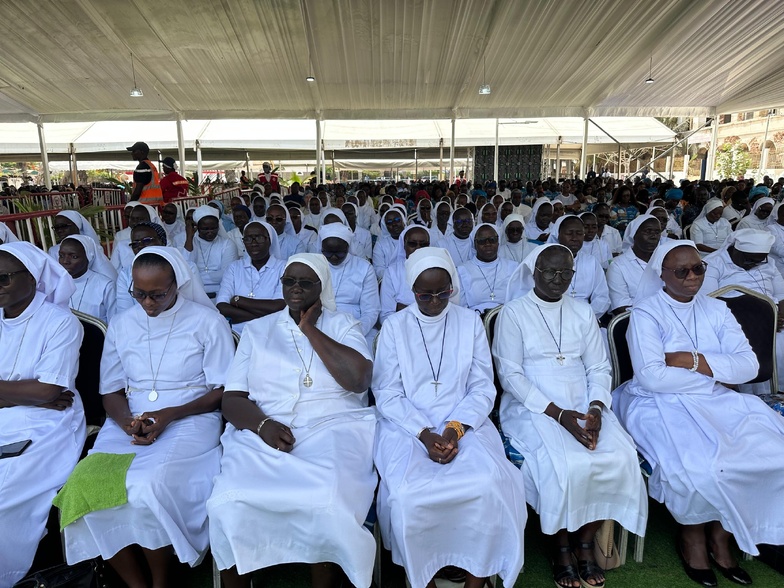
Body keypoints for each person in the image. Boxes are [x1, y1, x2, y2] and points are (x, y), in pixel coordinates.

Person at [612, 240, 784, 587]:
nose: (693, 276)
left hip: (716, 398)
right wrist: (717, 374)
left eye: (699, 268)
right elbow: (652, 376)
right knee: (697, 465)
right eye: (682, 271)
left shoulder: (717, 310)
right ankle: (692, 537)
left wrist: (693, 361)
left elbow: (749, 365)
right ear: (662, 274)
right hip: (655, 403)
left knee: (770, 451)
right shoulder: (646, 313)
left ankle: (723, 536)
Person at [61, 247, 234, 586]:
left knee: (147, 486)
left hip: (192, 415)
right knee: (81, 487)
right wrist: (127, 421)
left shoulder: (206, 321)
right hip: (130, 418)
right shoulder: (123, 324)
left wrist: (171, 414)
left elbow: (223, 390)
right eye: (139, 293)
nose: (148, 302)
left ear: (178, 285)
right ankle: (136, 583)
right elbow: (109, 390)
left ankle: (160, 580)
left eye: (158, 294)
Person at [207, 253, 377, 588]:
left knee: (326, 500)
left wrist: (309, 329)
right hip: (265, 431)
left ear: (322, 286)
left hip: (334, 428)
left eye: (305, 282)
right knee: (230, 499)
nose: (295, 289)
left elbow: (359, 380)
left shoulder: (345, 324)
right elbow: (233, 398)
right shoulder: (257, 331)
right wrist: (262, 426)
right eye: (289, 281)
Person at [494, 243, 648, 588]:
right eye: (550, 271)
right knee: (562, 464)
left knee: (618, 456)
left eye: (566, 272)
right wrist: (559, 415)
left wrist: (595, 408)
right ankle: (560, 546)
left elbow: (598, 366)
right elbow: (510, 376)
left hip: (582, 396)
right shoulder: (514, 313)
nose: (557, 279)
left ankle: (584, 542)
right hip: (533, 403)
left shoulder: (582, 311)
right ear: (534, 272)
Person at [373, 247, 527, 588]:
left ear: (453, 287)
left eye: (443, 292)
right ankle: (425, 576)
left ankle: (476, 578)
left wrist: (454, 430)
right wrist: (425, 434)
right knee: (406, 496)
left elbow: (483, 387)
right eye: (424, 294)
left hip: (465, 423)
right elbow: (387, 392)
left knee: (489, 485)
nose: (434, 301)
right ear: (412, 290)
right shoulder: (395, 327)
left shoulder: (469, 321)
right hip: (407, 427)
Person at [0, 242, 86, 586]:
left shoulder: (60, 322)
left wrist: (40, 395)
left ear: (32, 277)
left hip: (48, 424)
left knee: (6, 490)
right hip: (22, 411)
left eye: (3, 278)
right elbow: (43, 391)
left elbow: (50, 393)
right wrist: (31, 394)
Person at [216, 220, 286, 334]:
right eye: (248, 239)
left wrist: (238, 300)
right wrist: (265, 312)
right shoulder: (234, 268)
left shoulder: (284, 267)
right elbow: (222, 307)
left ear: (269, 240)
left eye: (258, 237)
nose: (253, 243)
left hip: (271, 332)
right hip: (237, 334)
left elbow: (279, 306)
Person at [319, 223, 380, 349]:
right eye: (328, 253)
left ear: (348, 247)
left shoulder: (364, 268)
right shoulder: (315, 266)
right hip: (319, 325)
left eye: (339, 253)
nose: (334, 257)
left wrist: (355, 333)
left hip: (355, 326)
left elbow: (371, 311)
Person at [607, 214, 660, 314]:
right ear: (634, 234)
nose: (653, 236)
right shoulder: (617, 266)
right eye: (648, 231)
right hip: (634, 322)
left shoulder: (664, 261)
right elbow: (621, 306)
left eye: (657, 232)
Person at [458, 223, 518, 311]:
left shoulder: (513, 267)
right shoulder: (462, 270)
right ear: (475, 244)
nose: (488, 244)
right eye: (482, 241)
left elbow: (518, 301)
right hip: (474, 319)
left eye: (492, 239)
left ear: (498, 242)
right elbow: (461, 306)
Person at [58, 234, 117, 323]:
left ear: (88, 257)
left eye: (74, 257)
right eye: (61, 255)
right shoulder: (54, 284)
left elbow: (114, 322)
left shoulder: (105, 286)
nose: (65, 261)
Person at [184, 205, 239, 298]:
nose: (210, 232)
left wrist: (195, 277)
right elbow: (185, 268)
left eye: (213, 228)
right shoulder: (190, 243)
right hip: (194, 293)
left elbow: (227, 274)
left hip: (222, 291)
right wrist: (189, 237)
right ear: (197, 227)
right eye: (205, 229)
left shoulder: (227, 244)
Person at [111, 203, 162, 273]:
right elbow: (114, 271)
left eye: (140, 219)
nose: (135, 222)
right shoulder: (121, 246)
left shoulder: (162, 241)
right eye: (132, 219)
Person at [372, 206, 407, 280]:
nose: (394, 224)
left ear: (403, 221)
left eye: (397, 220)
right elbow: (378, 269)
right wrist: (397, 278)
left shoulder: (412, 240)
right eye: (389, 222)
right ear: (385, 226)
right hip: (389, 283)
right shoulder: (380, 245)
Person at [127, 141, 163, 206]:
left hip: (144, 206)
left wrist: (129, 204)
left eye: (134, 151)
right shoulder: (151, 165)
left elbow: (137, 192)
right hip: (156, 205)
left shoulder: (142, 167)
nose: (132, 153)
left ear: (142, 152)